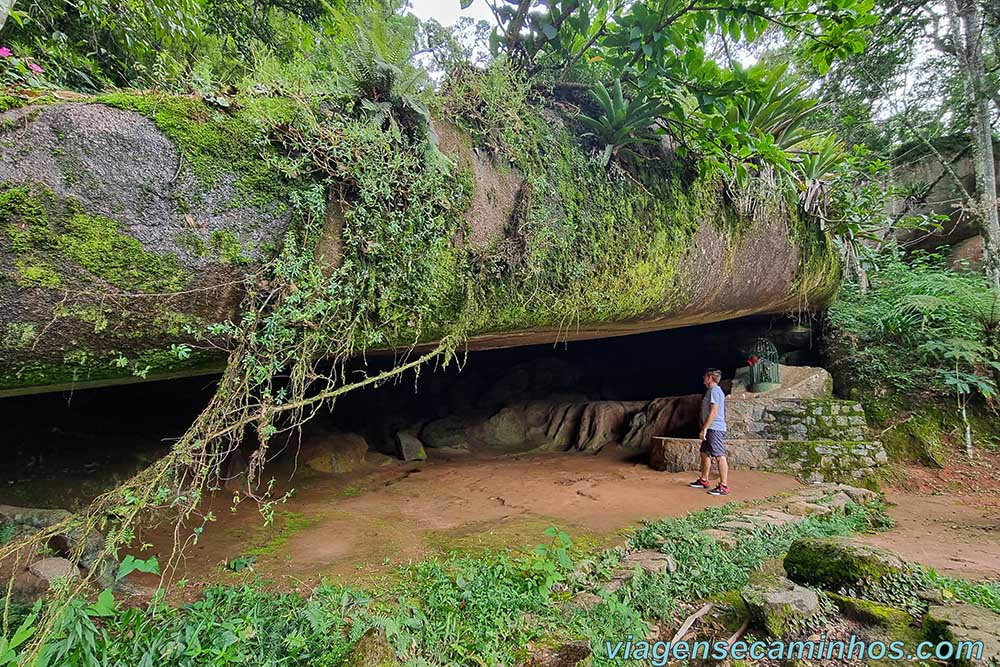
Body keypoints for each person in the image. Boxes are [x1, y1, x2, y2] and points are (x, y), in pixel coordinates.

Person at [688, 368, 729, 496]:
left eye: (705, 376)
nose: (703, 378)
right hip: (712, 427)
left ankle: (724, 486)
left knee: (719, 455)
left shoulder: (715, 391)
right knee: (704, 453)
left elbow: (714, 411)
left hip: (714, 428)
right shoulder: (711, 391)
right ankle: (704, 480)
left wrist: (705, 428)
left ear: (709, 377)